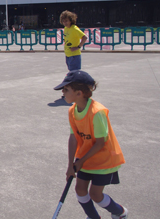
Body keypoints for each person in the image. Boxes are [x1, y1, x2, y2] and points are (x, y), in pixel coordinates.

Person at [54, 70, 128, 219]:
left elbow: (101, 143)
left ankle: (120, 212)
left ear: (79, 93)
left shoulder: (97, 112)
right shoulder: (72, 111)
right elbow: (73, 137)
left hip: (103, 160)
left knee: (95, 194)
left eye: (66, 89)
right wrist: (70, 165)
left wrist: (80, 161)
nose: (63, 92)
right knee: (80, 189)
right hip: (85, 158)